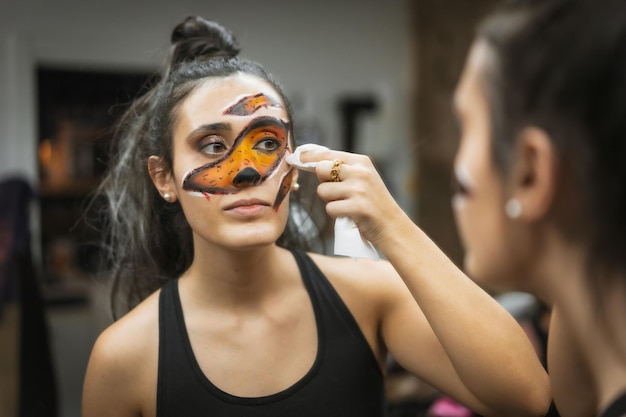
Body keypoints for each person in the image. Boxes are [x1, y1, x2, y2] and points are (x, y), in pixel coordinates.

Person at [81, 16, 550, 417]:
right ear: (163, 178)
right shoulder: (124, 357)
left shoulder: (367, 296)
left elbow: (525, 397)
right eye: (212, 145)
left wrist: (393, 226)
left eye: (267, 143)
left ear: (295, 162)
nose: (246, 170)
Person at [304, 0, 626, 416]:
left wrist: (391, 224)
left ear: (530, 171)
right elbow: (570, 405)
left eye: (466, 128)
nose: (456, 167)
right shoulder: (586, 334)